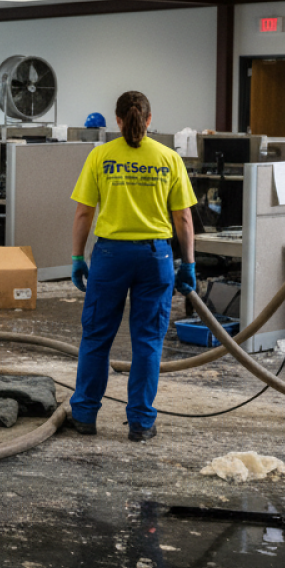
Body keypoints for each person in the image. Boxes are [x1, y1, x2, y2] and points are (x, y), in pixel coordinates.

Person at [66, 90, 196, 442]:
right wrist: (189, 263)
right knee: (148, 341)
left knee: (95, 337)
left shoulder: (100, 155)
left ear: (118, 120)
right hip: (156, 258)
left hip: (110, 257)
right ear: (149, 119)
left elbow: (83, 212)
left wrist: (78, 257)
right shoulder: (169, 158)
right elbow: (183, 218)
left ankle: (84, 415)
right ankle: (140, 422)